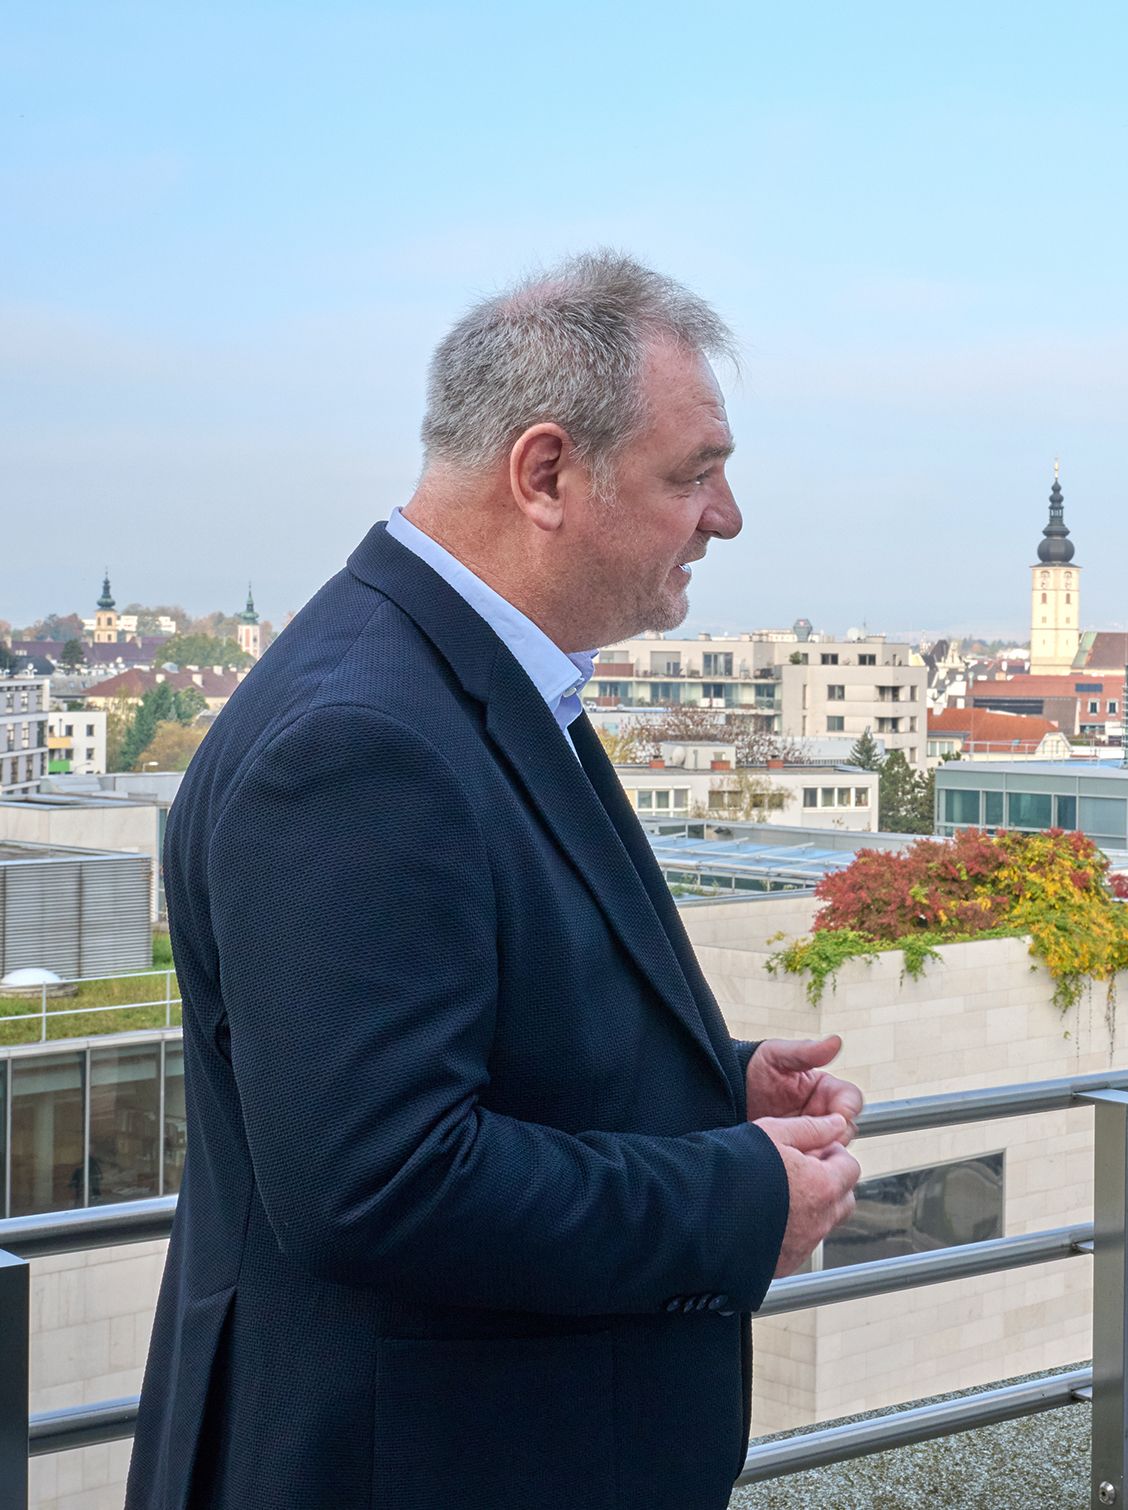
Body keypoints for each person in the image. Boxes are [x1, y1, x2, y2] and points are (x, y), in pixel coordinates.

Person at [128, 253, 864, 1510]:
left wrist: (703, 1082)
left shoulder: (457, 681)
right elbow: (379, 1179)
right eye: (693, 473)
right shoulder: (362, 737)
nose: (725, 515)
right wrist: (734, 1193)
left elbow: (465, 1027)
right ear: (544, 474)